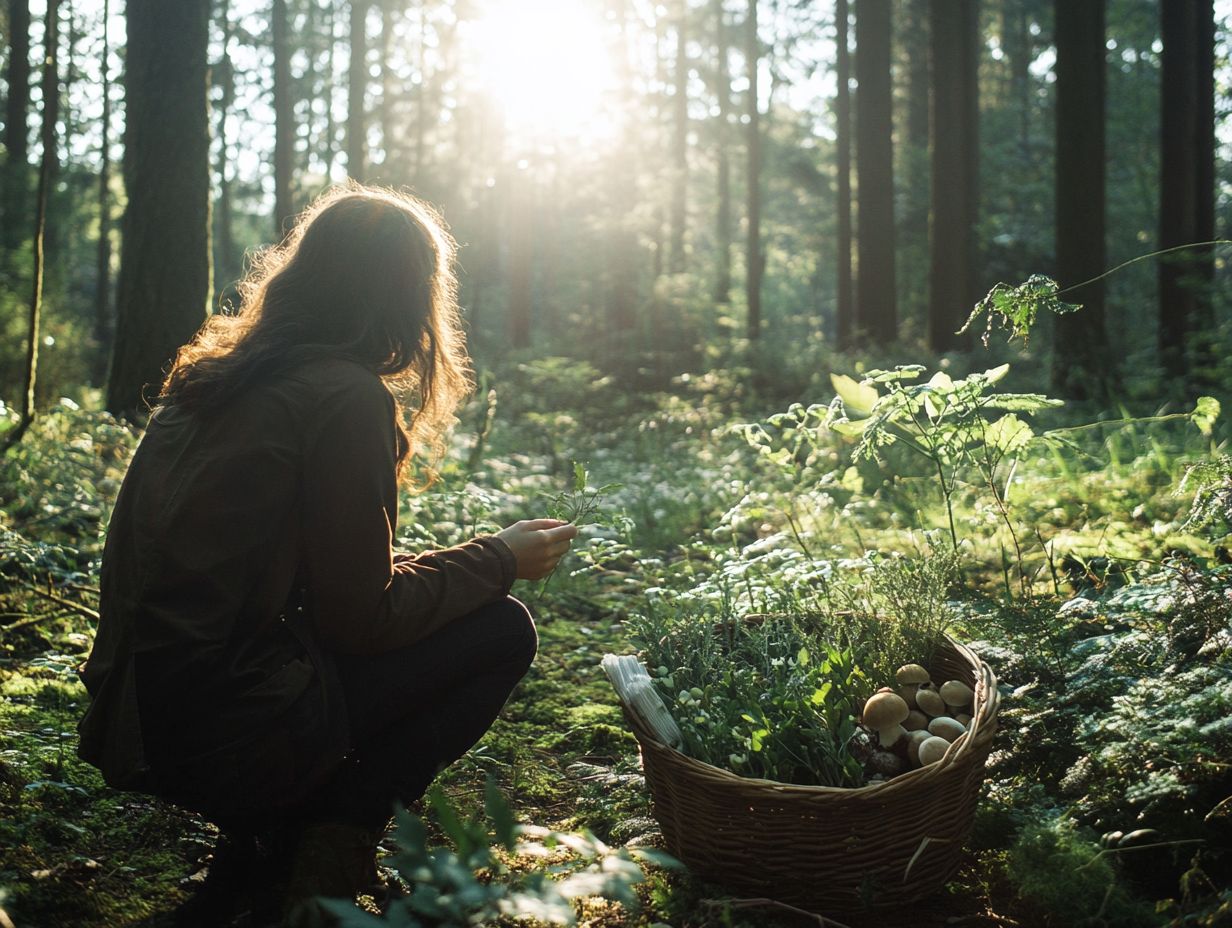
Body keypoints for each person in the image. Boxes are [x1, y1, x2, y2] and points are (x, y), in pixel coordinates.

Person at [76, 183, 578, 919]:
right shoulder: (342, 394)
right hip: (222, 730)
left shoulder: (212, 381)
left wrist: (456, 564)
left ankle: (257, 858)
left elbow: (296, 587)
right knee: (501, 630)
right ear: (404, 294)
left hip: (136, 717)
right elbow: (359, 622)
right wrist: (497, 559)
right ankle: (324, 857)